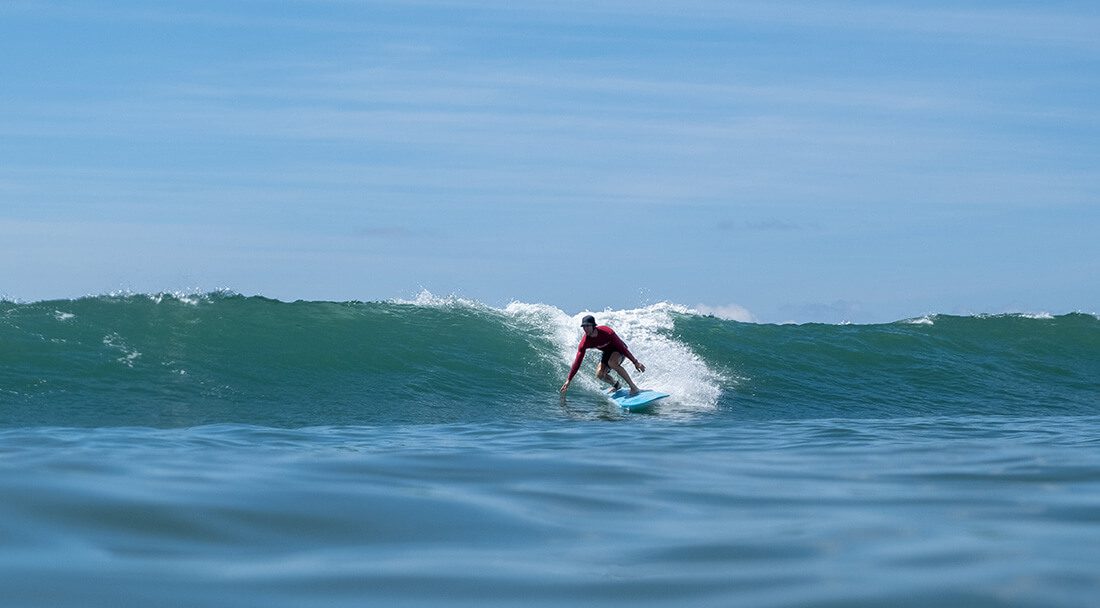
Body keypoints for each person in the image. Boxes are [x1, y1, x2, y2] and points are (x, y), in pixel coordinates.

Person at [560, 315, 646, 396]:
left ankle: (633, 387)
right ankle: (616, 385)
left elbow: (622, 348)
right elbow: (578, 361)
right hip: (607, 353)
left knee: (612, 363)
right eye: (584, 327)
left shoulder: (607, 332)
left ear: (593, 325)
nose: (585, 329)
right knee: (599, 374)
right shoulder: (585, 342)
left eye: (588, 326)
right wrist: (569, 380)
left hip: (619, 350)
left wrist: (635, 362)